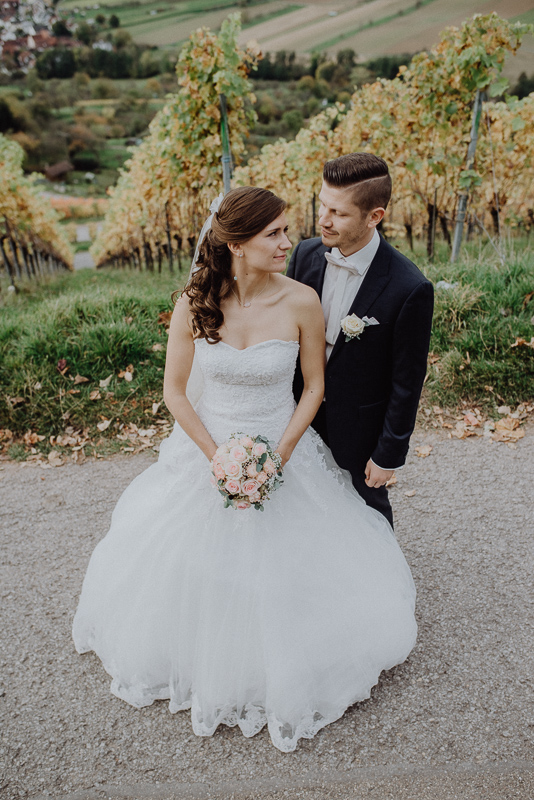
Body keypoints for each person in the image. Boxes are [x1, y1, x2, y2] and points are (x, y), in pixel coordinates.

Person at [72, 186, 417, 753]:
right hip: (209, 448)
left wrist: (276, 457)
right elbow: (176, 393)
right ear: (235, 244)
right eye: (274, 234)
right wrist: (220, 459)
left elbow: (315, 389)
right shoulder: (194, 302)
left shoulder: (302, 300)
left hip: (282, 445)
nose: (290, 242)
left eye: (286, 230)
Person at [287, 153, 434, 528]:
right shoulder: (305, 255)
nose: (323, 219)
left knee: (368, 516)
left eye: (338, 213)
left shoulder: (409, 287)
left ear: (375, 216)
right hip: (296, 414)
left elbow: (407, 381)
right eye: (322, 205)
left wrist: (389, 454)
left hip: (358, 427)